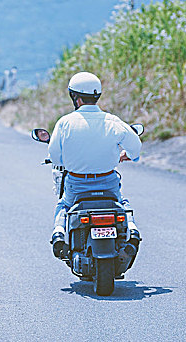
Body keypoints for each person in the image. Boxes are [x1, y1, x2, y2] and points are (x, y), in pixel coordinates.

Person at [48, 71, 142, 258]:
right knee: (122, 203)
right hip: (108, 182)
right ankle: (132, 230)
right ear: (97, 95)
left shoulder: (65, 123)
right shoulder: (113, 121)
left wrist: (67, 160)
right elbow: (136, 148)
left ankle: (58, 233)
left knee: (64, 206)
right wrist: (127, 155)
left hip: (77, 184)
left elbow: (55, 157)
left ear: (75, 97)